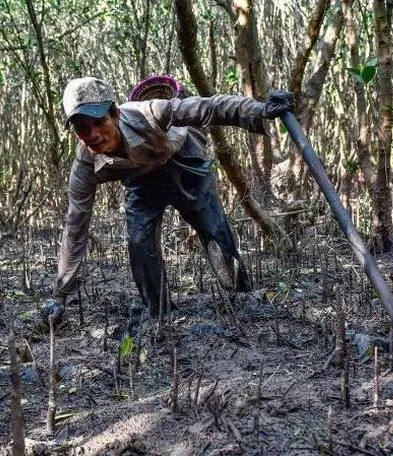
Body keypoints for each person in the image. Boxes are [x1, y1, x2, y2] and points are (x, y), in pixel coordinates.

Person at [44, 76, 293, 326]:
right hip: (140, 180)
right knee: (139, 242)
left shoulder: (150, 112)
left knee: (214, 230)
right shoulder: (85, 167)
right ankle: (160, 314)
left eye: (100, 122)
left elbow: (210, 107)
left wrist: (259, 109)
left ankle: (241, 297)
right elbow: (75, 229)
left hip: (184, 161)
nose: (93, 135)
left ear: (115, 115)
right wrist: (59, 296)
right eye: (82, 128)